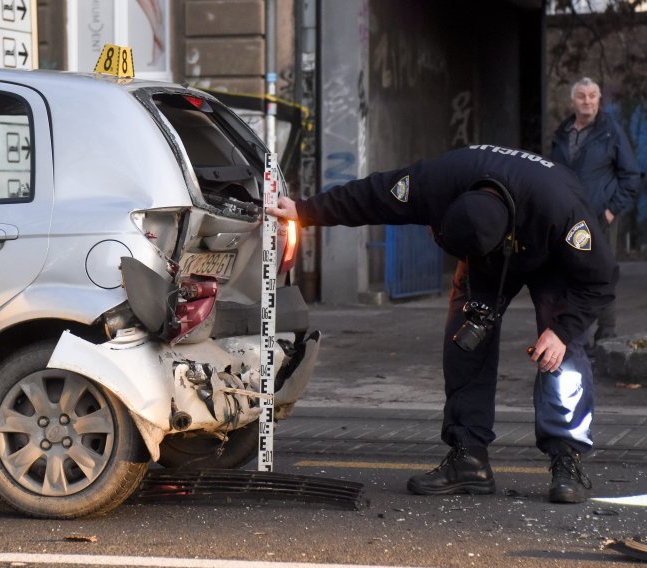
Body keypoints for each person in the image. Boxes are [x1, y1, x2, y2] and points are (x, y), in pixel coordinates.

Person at [267, 145, 618, 504]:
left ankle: (566, 457)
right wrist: (304, 211)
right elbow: (372, 196)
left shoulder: (564, 211)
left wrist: (561, 331)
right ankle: (469, 459)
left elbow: (602, 280)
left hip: (553, 257)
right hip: (486, 261)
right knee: (465, 338)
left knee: (561, 352)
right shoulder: (437, 181)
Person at [551, 77, 640, 345]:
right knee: (572, 272)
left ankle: (607, 332)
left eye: (592, 96)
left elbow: (632, 175)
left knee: (602, 273)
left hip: (601, 216)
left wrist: (612, 209)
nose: (587, 101)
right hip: (569, 217)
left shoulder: (611, 130)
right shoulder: (563, 132)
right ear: (573, 101)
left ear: (599, 100)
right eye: (581, 96)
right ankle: (580, 335)